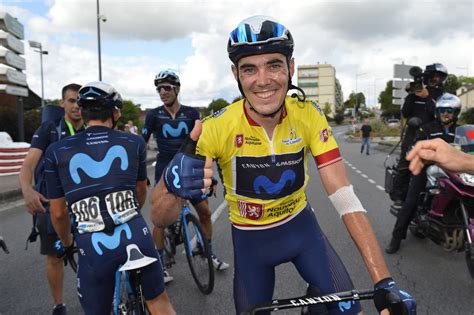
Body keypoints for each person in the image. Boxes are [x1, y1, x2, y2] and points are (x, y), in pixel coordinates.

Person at [150, 15, 416, 315]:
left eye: (274, 65)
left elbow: (344, 196)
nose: (263, 80)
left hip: (303, 233)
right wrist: (172, 187)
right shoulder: (215, 127)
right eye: (250, 69)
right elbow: (160, 218)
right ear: (236, 74)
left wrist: (384, 281)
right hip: (251, 244)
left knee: (351, 312)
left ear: (290, 68)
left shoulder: (308, 114)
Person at [43, 82, 175, 315]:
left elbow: (58, 212)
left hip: (93, 245)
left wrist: (66, 243)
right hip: (134, 232)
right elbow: (140, 191)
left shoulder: (56, 151)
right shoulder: (133, 142)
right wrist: (128, 212)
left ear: (82, 113)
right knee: (159, 302)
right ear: (116, 113)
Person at [141, 70, 229, 283]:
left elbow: (203, 144)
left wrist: (211, 176)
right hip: (164, 172)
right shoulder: (153, 115)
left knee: (205, 213)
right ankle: (160, 264)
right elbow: (141, 146)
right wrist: (141, 174)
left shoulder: (191, 114)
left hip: (188, 169)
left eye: (167, 88)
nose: (162, 92)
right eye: (159, 89)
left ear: (177, 89)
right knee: (160, 222)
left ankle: (207, 251)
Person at [19, 83, 83, 315]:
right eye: (72, 101)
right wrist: (27, 190)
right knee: (56, 256)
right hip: (53, 203)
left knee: (94, 252)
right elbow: (28, 165)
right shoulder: (49, 129)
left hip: (84, 203)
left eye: (80, 101)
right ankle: (59, 304)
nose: (77, 106)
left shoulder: (91, 128)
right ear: (62, 104)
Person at [386, 93, 461, 254]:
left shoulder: (460, 130)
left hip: (455, 170)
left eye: (449, 110)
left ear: (456, 113)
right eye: (442, 110)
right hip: (428, 169)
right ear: (437, 112)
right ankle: (396, 238)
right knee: (411, 200)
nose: (445, 114)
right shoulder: (427, 128)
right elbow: (415, 146)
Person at [390, 63, 448, 209]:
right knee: (405, 164)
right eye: (434, 77)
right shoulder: (416, 92)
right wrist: (411, 94)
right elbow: (406, 112)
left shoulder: (443, 96)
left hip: (432, 136)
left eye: (440, 77)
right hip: (413, 134)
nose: (437, 80)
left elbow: (437, 114)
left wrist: (428, 97)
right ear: (428, 77)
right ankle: (399, 197)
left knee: (440, 167)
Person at [407, 138, 474, 175]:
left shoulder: (459, 128)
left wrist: (465, 161)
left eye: (450, 111)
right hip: (431, 168)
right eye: (442, 111)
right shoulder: (428, 126)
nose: (446, 114)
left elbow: (468, 142)